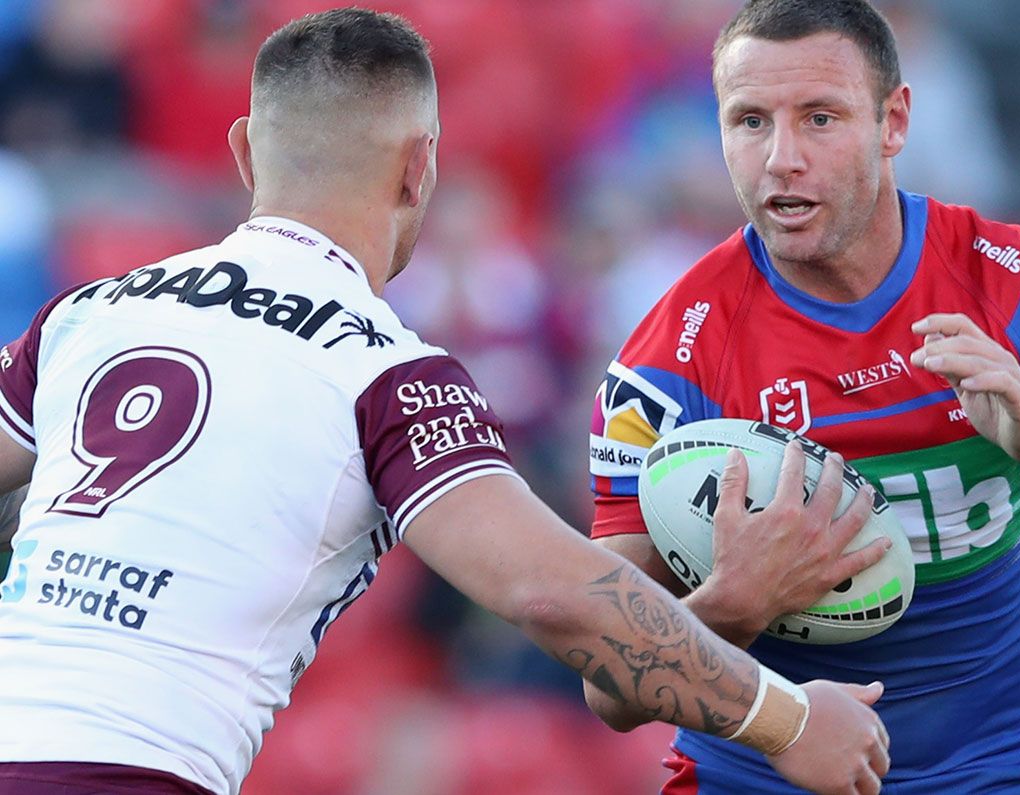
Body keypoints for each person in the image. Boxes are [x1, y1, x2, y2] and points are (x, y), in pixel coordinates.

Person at [0, 10, 891, 795]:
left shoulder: (87, 311)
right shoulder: (384, 371)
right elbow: (553, 592)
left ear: (243, 152)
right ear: (421, 167)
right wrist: (790, 718)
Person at [582, 1, 1020, 792]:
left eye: (819, 118)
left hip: (1003, 772)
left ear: (894, 120)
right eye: (749, 122)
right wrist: (734, 604)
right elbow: (607, 688)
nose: (780, 157)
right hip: (760, 777)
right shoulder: (664, 365)